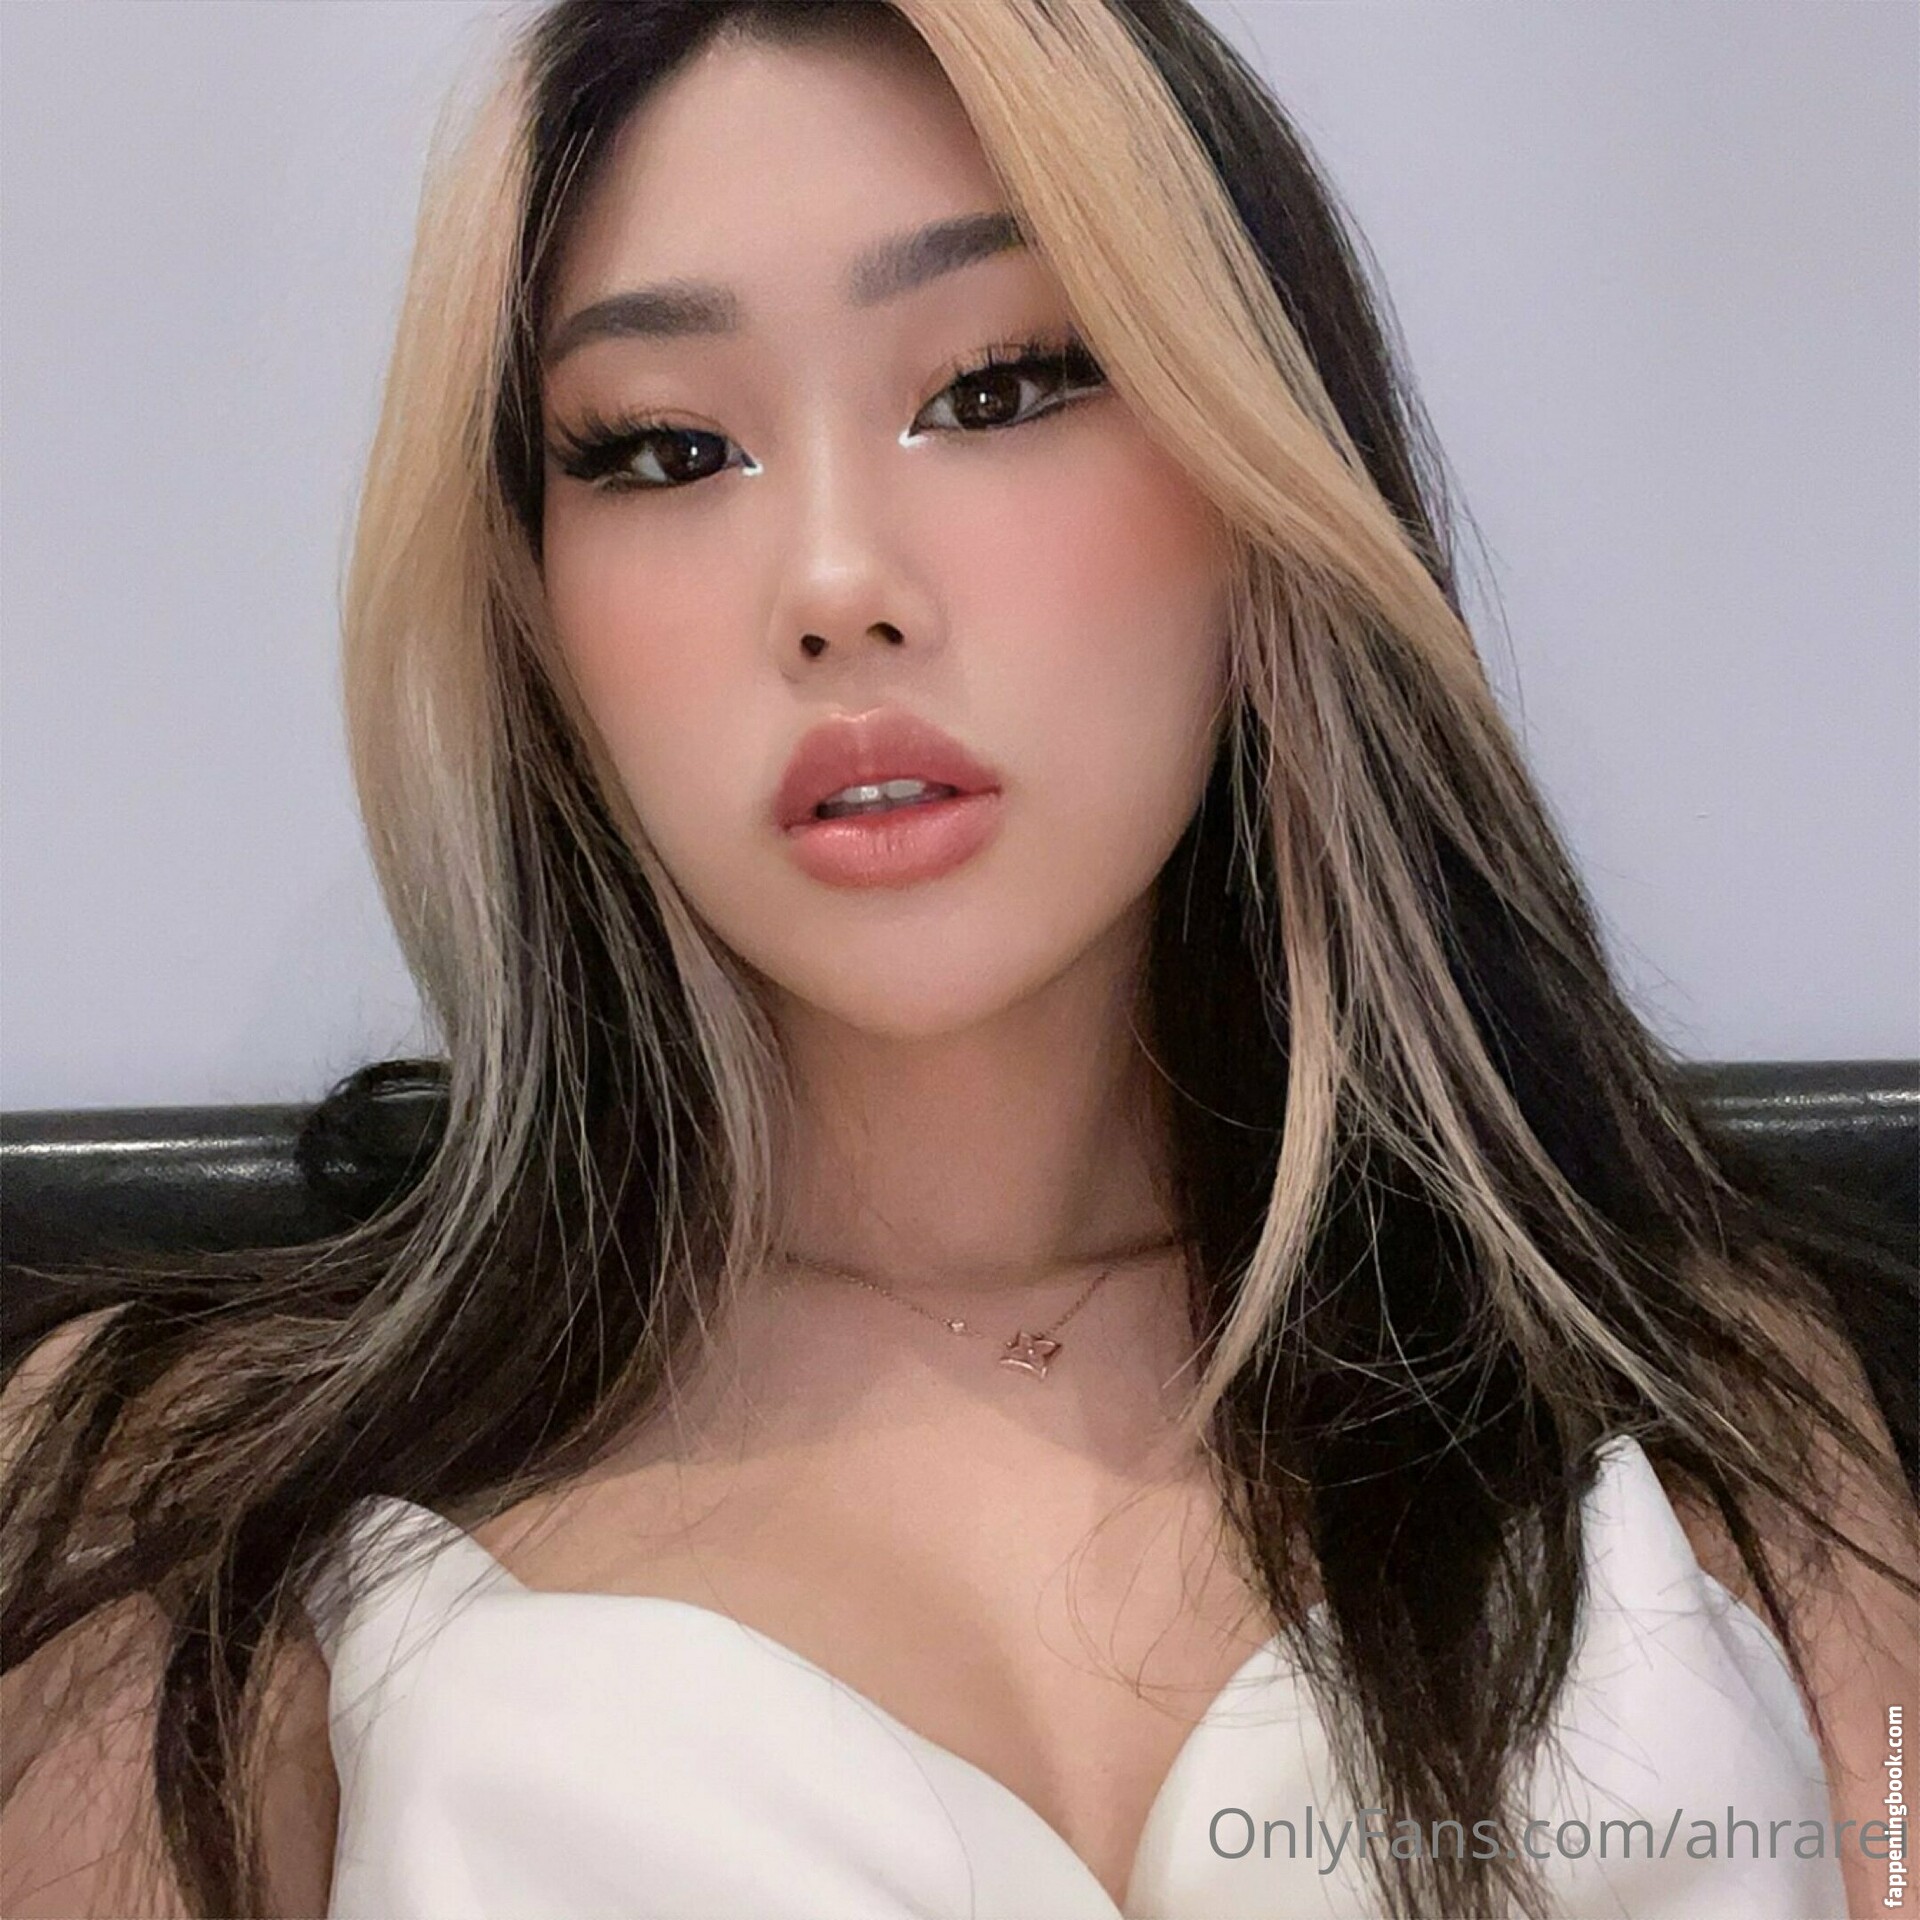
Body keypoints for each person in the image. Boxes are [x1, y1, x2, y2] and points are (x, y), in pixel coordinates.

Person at [3, 2, 1913, 1915]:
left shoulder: (1709, 1398)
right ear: (532, 598)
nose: (838, 585)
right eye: (667, 448)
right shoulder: (180, 1514)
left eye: (998, 389)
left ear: (1260, 461)